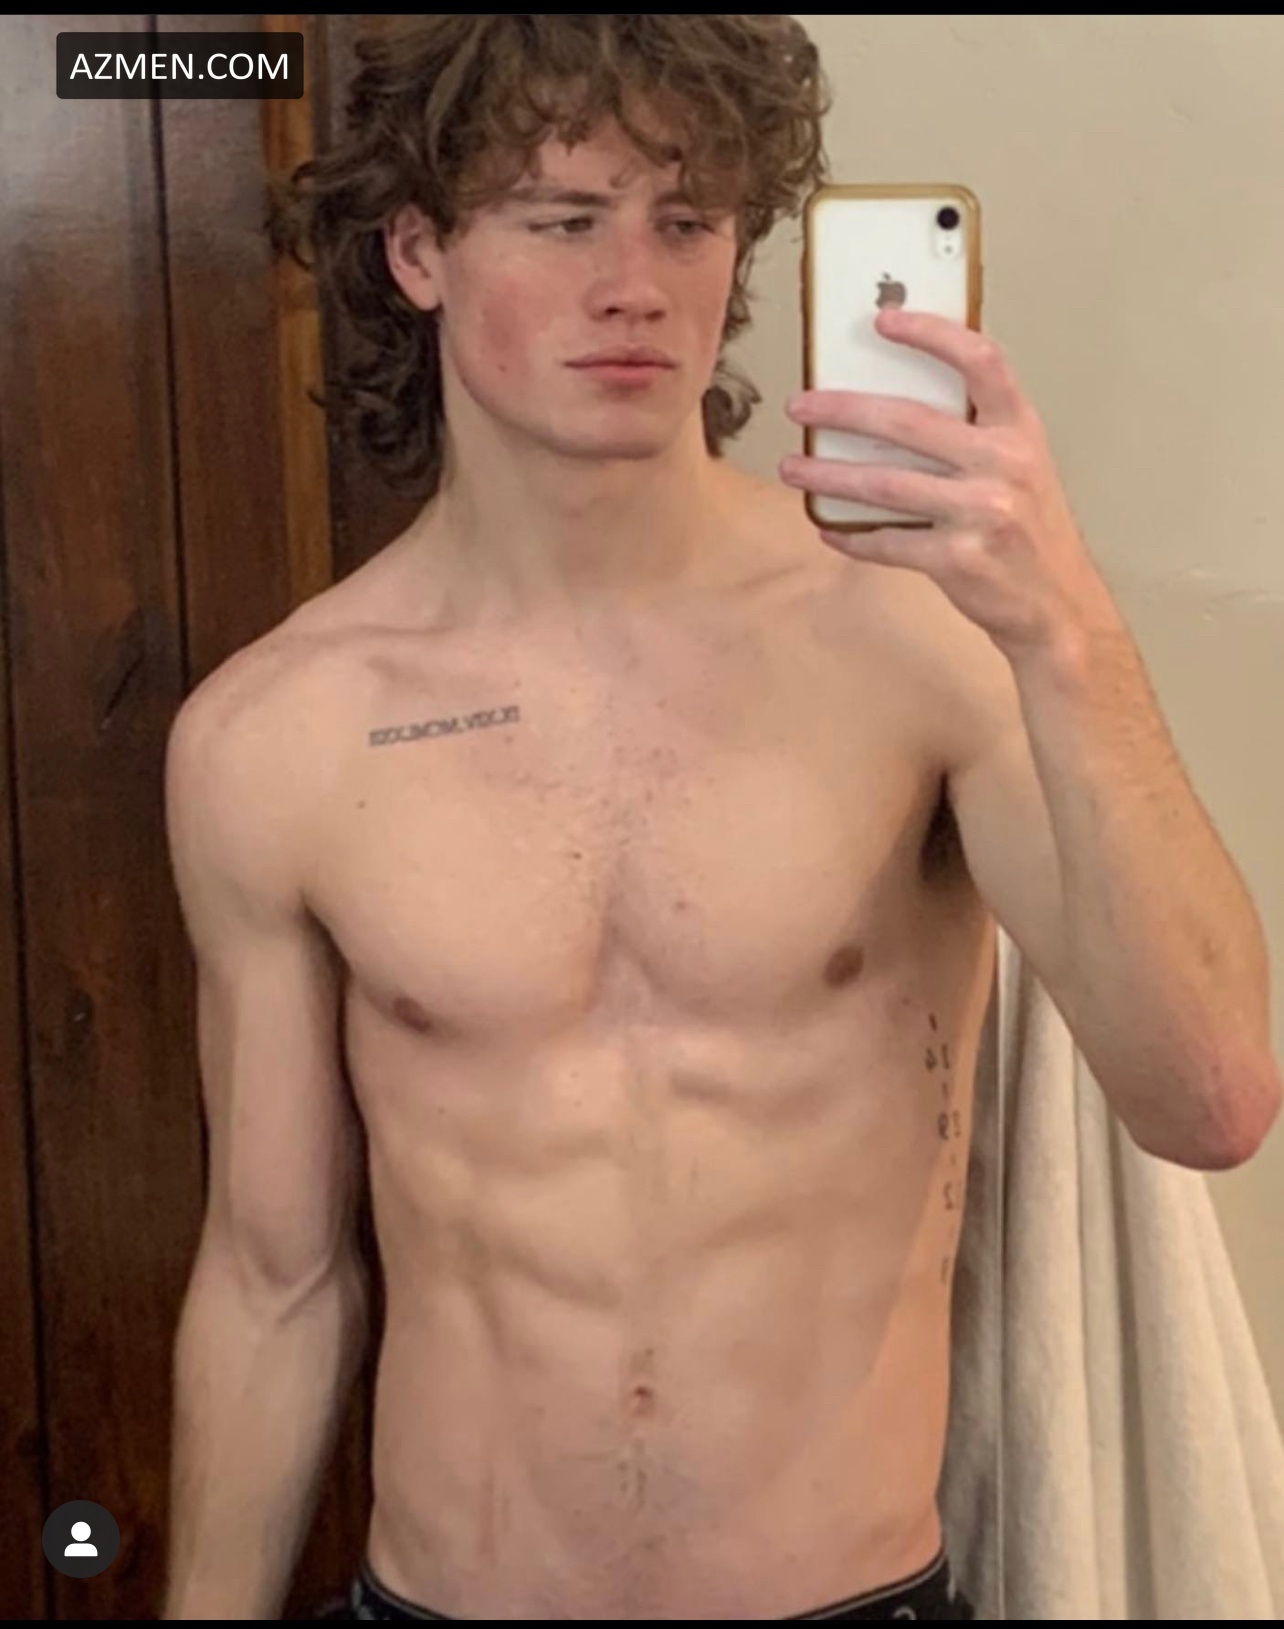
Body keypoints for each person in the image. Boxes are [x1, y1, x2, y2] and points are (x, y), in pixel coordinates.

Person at [160, 15, 1001, 1621]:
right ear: (418, 251)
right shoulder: (273, 736)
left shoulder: (917, 640)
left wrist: (1066, 624)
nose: (635, 286)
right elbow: (275, 1279)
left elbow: (1214, 1093)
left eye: (686, 221)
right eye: (562, 220)